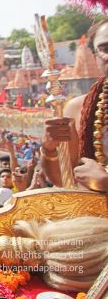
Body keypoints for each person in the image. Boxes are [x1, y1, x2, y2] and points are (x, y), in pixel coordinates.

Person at [41, 19, 108, 192]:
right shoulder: (79, 108)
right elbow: (64, 180)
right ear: (94, 56)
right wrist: (49, 149)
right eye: (106, 48)